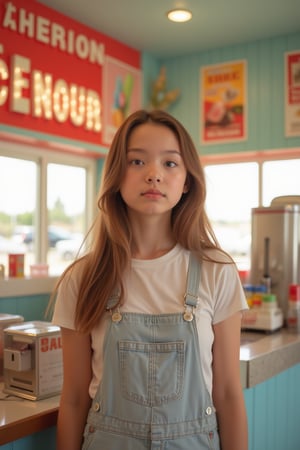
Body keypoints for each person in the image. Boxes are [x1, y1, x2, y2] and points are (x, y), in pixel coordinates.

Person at [51, 109, 248, 450]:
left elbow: (229, 395)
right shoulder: (82, 278)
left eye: (170, 163)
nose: (154, 174)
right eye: (137, 162)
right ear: (115, 175)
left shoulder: (218, 271)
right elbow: (72, 400)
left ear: (187, 180)